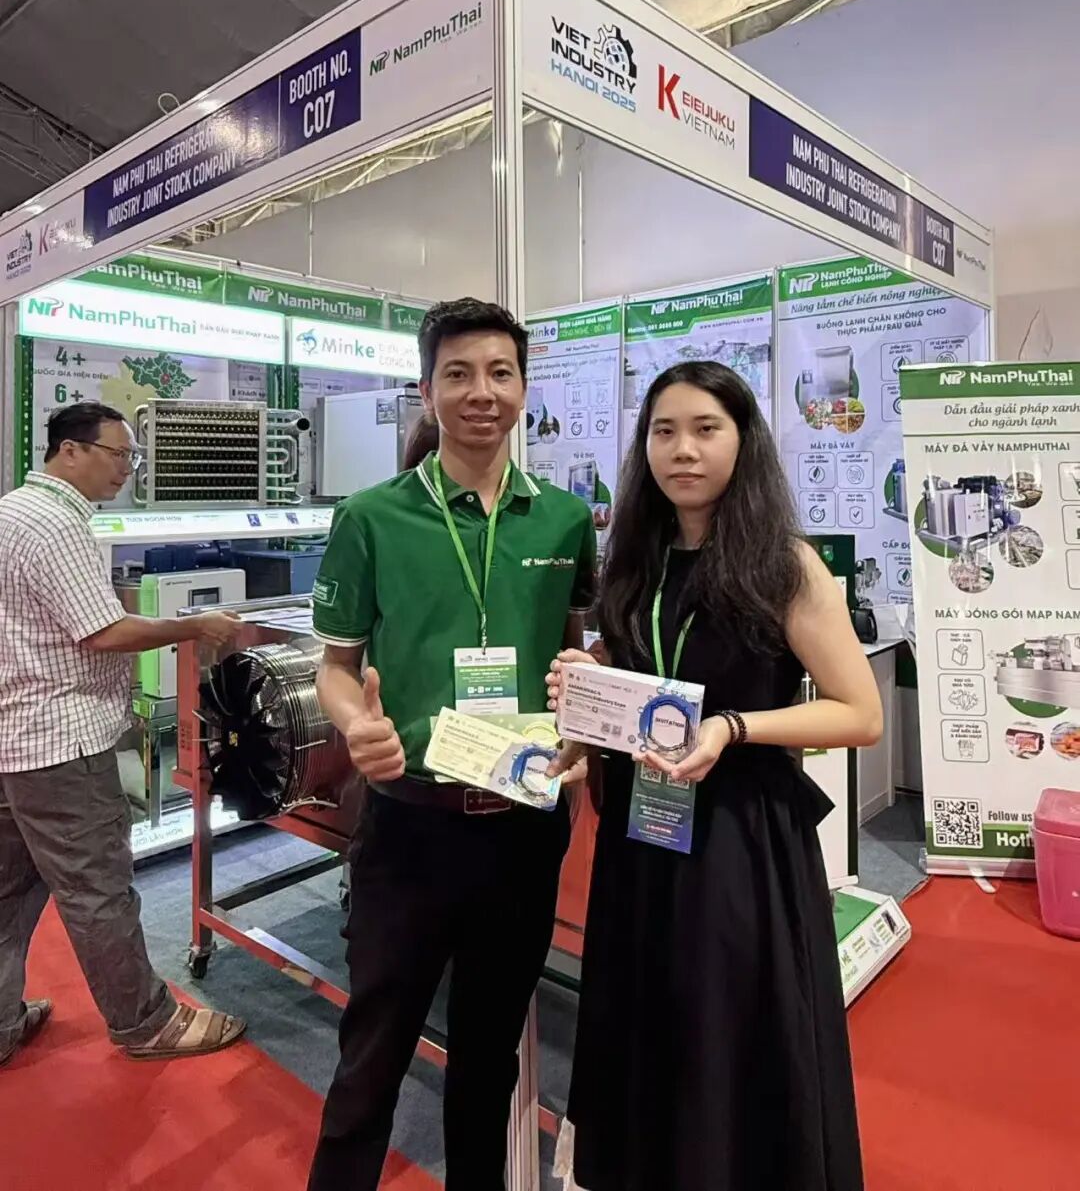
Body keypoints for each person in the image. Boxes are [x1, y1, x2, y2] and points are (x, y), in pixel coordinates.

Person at [547, 362, 881, 1191]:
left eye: (706, 429)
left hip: (739, 838)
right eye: (664, 432)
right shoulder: (636, 560)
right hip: (642, 834)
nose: (683, 450)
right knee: (649, 1024)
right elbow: (640, 673)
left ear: (743, 440)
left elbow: (859, 711)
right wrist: (589, 691)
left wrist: (734, 728)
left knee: (728, 1032)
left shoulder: (783, 565)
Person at [307, 298, 596, 1191]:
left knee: (487, 1056)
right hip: (410, 824)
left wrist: (586, 708)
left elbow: (573, 652)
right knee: (373, 1051)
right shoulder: (371, 516)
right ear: (427, 388)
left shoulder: (565, 520)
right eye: (459, 373)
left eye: (500, 372)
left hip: (523, 824)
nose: (482, 392)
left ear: (523, 387)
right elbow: (335, 666)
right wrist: (356, 723)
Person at [0, 402, 247, 1068]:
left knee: (8, 889)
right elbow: (103, 631)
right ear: (71, 450)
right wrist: (194, 625)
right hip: (61, 743)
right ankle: (145, 1022)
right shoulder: (56, 524)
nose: (127, 469)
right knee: (98, 889)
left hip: (13, 737)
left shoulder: (12, 510)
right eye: (120, 454)